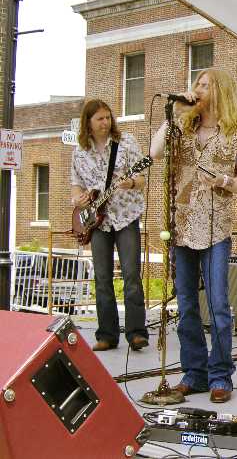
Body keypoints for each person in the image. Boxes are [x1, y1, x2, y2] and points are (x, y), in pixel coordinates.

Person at [150, 68, 237, 403]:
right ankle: (194, 374)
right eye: (196, 83)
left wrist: (224, 181)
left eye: (205, 85)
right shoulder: (181, 127)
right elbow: (154, 152)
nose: (198, 88)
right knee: (185, 305)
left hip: (215, 227)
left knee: (218, 305)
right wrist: (175, 112)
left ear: (220, 91)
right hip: (181, 226)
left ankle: (220, 375)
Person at [71, 99, 148, 352]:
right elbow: (76, 185)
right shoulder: (80, 151)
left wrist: (130, 183)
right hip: (96, 222)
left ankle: (136, 333)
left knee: (131, 274)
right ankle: (107, 334)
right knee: (102, 278)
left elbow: (141, 179)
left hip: (125, 216)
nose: (105, 122)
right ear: (88, 123)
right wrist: (79, 199)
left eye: (108, 117)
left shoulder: (126, 143)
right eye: (100, 119)